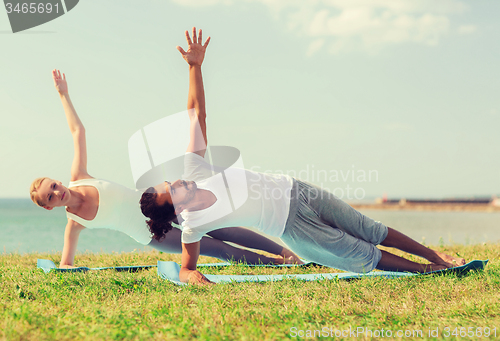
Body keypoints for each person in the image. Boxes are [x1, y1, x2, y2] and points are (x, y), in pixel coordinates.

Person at [140, 28, 467, 285]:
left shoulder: (194, 169)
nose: (180, 181)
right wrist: (192, 277)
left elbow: (196, 114)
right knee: (358, 253)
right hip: (290, 225)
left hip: (296, 189)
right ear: (179, 208)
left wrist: (195, 68)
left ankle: (433, 254)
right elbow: (185, 267)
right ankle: (424, 270)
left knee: (370, 228)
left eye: (172, 180)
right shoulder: (193, 226)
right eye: (175, 189)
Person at [28, 70, 301, 267]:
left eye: (53, 185)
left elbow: (78, 131)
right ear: (49, 207)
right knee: (213, 248)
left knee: (224, 228)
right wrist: (64, 268)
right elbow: (66, 264)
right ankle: (275, 264)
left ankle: (286, 253)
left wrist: (63, 94)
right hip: (148, 234)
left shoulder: (78, 178)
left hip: (160, 202)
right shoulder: (74, 223)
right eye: (49, 196)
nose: (56, 191)